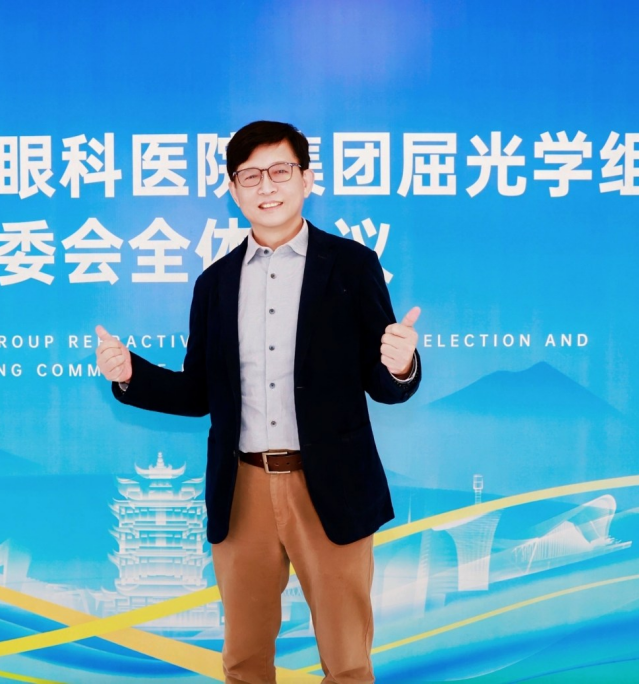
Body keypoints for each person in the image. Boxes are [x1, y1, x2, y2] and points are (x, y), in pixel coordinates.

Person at [95, 120, 421, 684]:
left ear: (306, 179)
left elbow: (382, 381)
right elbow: (199, 392)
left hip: (331, 486)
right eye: (250, 176)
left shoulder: (351, 265)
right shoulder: (215, 283)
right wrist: (131, 376)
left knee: (347, 661)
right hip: (243, 488)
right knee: (244, 662)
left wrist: (399, 365)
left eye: (280, 171)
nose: (266, 187)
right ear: (233, 189)